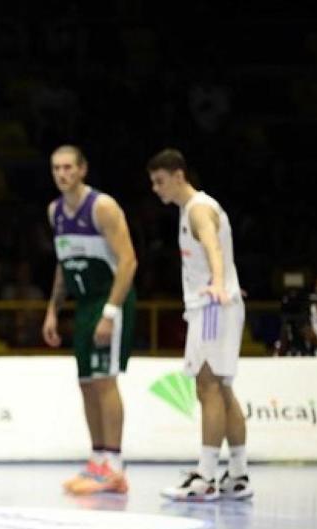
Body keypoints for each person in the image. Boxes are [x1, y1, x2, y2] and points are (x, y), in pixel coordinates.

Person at [148, 148, 253, 501]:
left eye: (160, 181)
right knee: (222, 389)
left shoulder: (198, 210)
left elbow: (213, 246)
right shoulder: (190, 210)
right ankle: (238, 475)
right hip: (218, 304)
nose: (156, 188)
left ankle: (206, 477)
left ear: (179, 176)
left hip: (212, 306)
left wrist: (219, 283)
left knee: (207, 387)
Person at [42, 145, 138, 495]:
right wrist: (53, 309)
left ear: (82, 169)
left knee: (104, 381)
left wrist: (110, 313)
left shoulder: (103, 206)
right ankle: (98, 461)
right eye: (56, 168)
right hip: (83, 304)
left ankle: (115, 464)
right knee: (86, 382)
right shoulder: (55, 212)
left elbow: (128, 262)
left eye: (68, 167)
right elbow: (63, 263)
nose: (62, 173)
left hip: (109, 299)